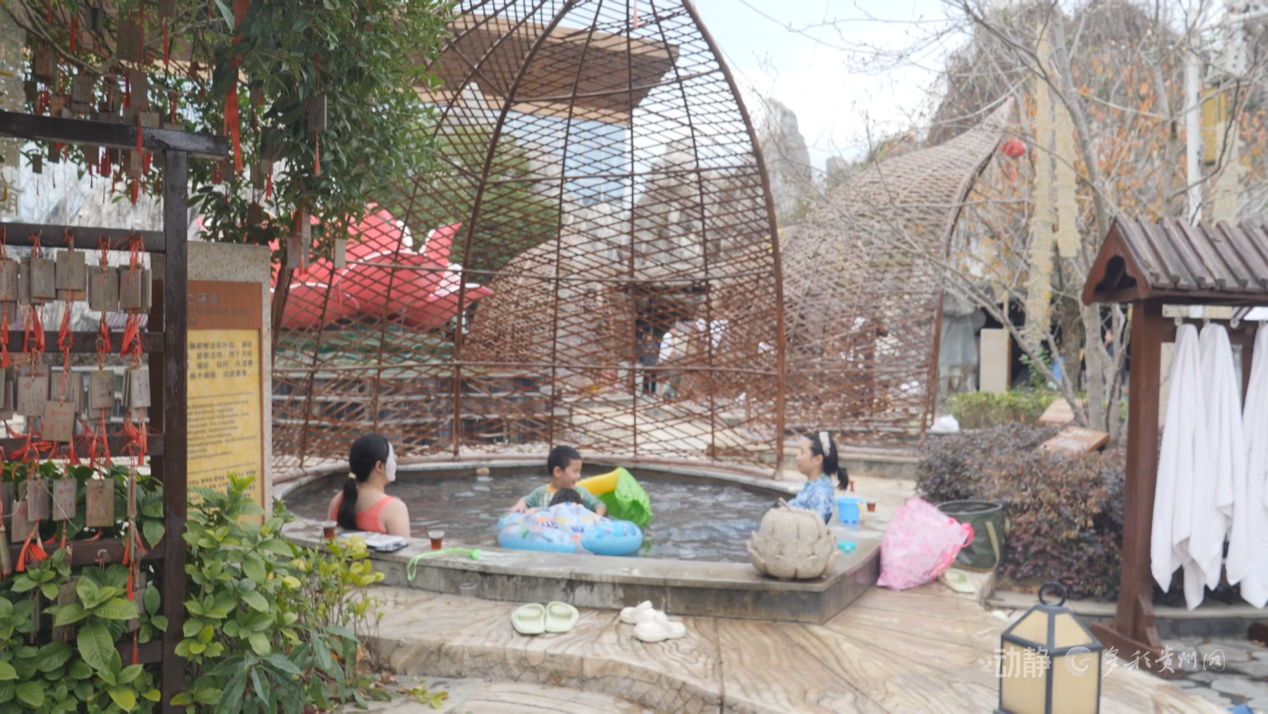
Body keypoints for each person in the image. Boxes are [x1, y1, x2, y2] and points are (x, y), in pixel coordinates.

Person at [327, 433, 410, 537]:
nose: (395, 463)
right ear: (379, 466)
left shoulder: (338, 500)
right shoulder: (394, 509)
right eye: (392, 458)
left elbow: (328, 540)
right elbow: (406, 547)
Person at [508, 445, 607, 516]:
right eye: (575, 471)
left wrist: (596, 518)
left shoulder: (581, 492)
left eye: (579, 471)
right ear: (558, 472)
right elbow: (525, 500)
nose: (579, 476)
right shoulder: (541, 493)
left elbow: (600, 506)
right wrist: (520, 504)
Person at [787, 431, 850, 524]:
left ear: (817, 459)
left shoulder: (819, 494)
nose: (797, 457)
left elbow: (815, 528)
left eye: (802, 452)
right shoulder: (817, 485)